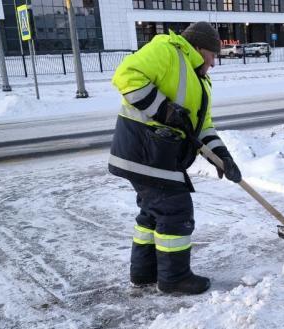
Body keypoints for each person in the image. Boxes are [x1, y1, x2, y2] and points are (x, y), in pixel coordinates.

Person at [108, 22, 242, 295]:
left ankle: (144, 273)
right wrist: (164, 109)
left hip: (159, 155)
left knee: (154, 212)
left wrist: (222, 156)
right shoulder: (167, 50)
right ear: (199, 48)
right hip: (144, 150)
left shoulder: (201, 81)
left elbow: (202, 127)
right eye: (212, 55)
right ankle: (174, 278)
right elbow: (125, 75)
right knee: (175, 209)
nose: (213, 63)